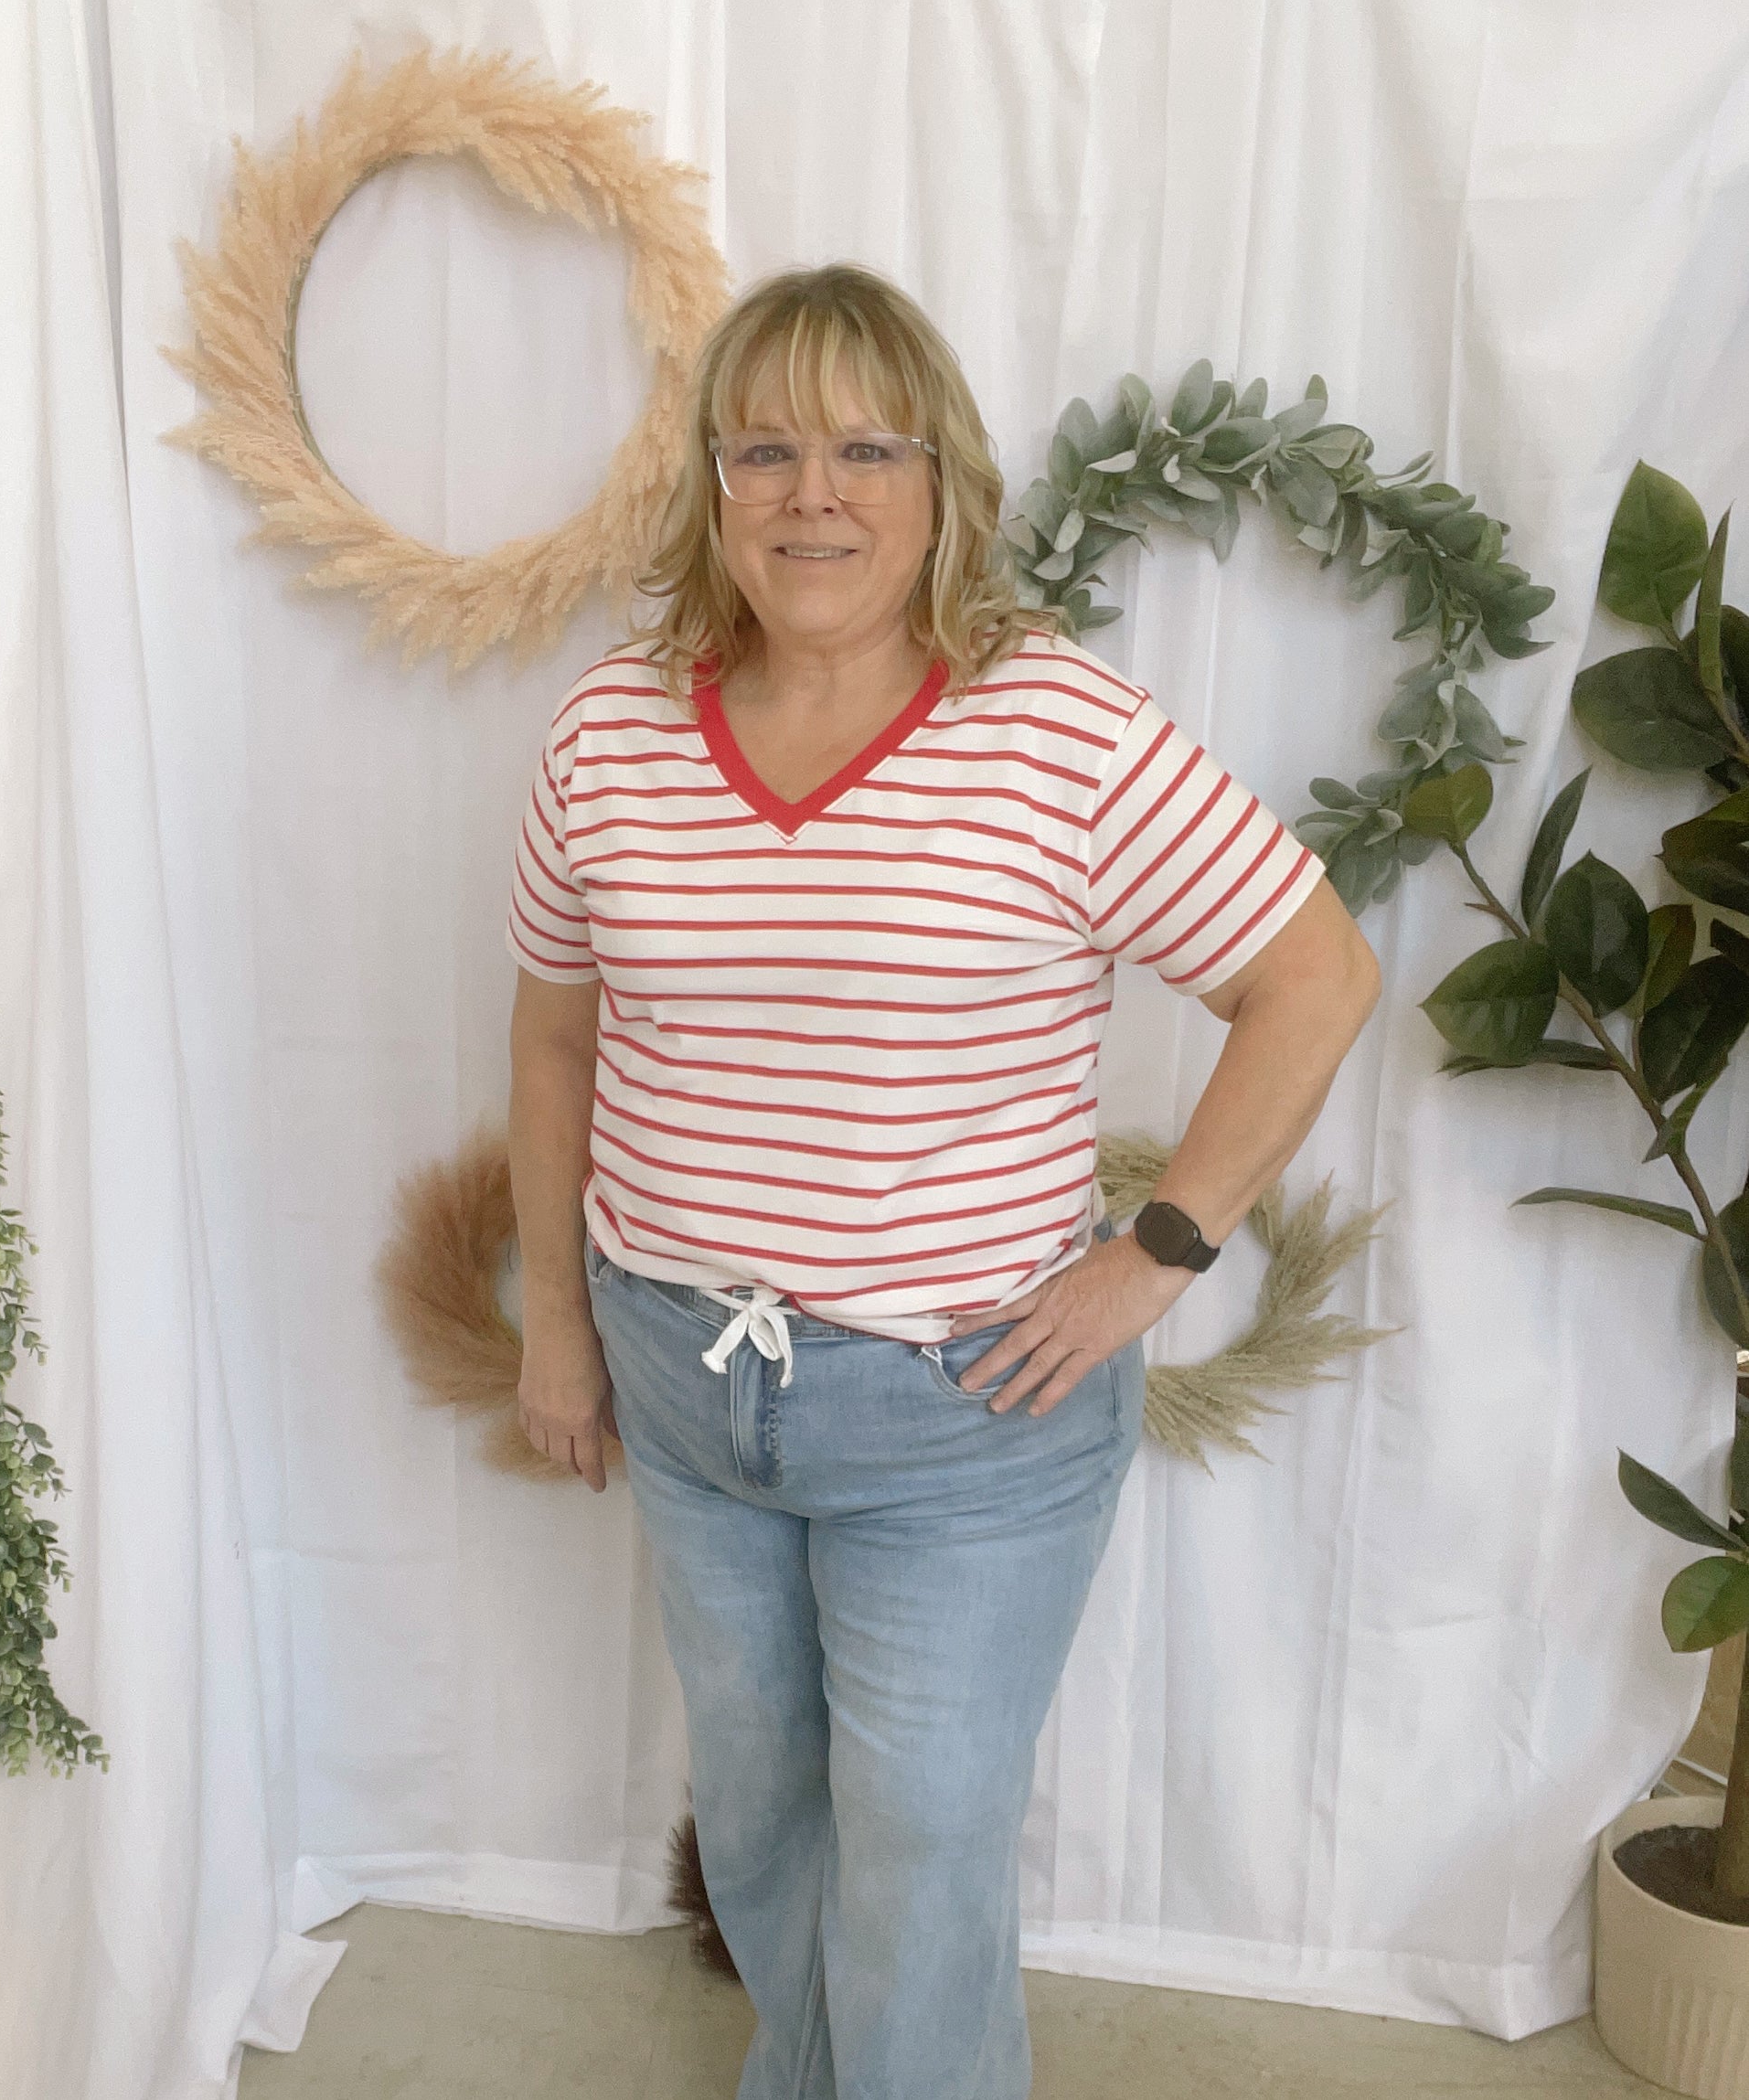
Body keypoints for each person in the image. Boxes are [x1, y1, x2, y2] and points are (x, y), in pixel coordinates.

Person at [502, 263, 1380, 2100]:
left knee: (921, 1853)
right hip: (687, 1378)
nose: (812, 492)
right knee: (757, 1820)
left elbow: (1313, 976)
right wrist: (561, 1332)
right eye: (766, 448)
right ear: (712, 484)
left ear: (937, 483)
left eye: (862, 446)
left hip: (966, 1412)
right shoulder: (609, 734)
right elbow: (558, 1040)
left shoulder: (1054, 732)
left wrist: (1157, 1253)